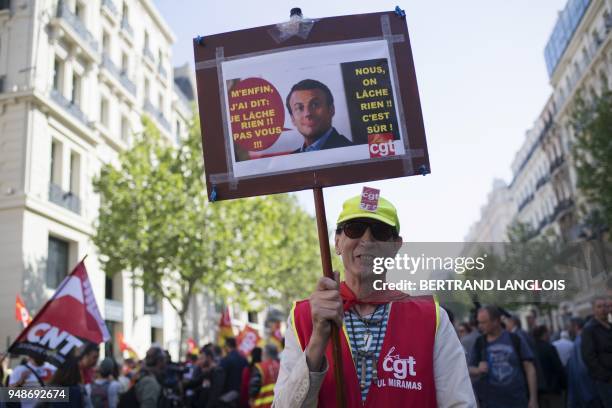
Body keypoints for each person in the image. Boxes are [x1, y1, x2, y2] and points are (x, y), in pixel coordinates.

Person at [273, 194, 475, 407]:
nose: (367, 240)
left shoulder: (432, 318)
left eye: (380, 232)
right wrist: (317, 340)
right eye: (355, 229)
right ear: (337, 242)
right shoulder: (303, 317)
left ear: (396, 246)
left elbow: (460, 403)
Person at [469, 305, 538, 408]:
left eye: (484, 322)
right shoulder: (479, 343)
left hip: (517, 402)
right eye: (479, 322)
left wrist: (533, 399)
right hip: (490, 403)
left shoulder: (515, 339)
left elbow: (529, 368)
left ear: (496, 321)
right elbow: (468, 369)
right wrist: (478, 370)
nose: (480, 326)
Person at [285, 79, 353, 153]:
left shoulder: (351, 151)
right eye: (299, 108)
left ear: (331, 110)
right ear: (292, 119)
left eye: (315, 105)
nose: (307, 114)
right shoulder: (291, 159)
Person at [581, 296, 612, 407]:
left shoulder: (609, 325)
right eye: (599, 307)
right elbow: (589, 357)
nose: (603, 309)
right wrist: (606, 376)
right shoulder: (589, 329)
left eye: (605, 306)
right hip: (606, 381)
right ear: (593, 310)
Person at [567, 317, 601, 408]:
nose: (568, 329)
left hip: (588, 394)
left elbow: (583, 370)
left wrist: (587, 394)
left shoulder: (580, 341)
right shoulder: (581, 340)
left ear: (576, 327)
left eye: (570, 326)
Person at [531, 325, 566, 408]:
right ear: (544, 334)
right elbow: (558, 368)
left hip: (540, 390)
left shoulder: (532, 349)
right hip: (553, 388)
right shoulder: (549, 348)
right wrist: (564, 384)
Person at [219, 337, 248, 405]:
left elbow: (221, 378)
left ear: (227, 346)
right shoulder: (244, 359)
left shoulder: (226, 360)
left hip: (228, 395)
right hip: (242, 393)